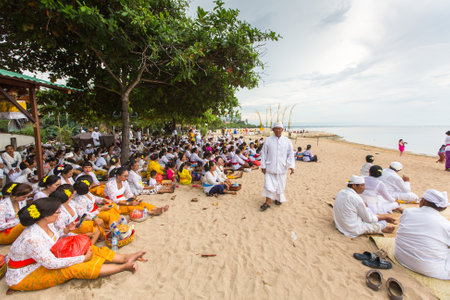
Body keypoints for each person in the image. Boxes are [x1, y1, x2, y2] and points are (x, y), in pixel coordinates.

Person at [5, 197, 146, 292]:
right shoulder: (32, 238)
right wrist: (82, 258)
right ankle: (123, 267)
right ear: (46, 216)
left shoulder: (47, 224)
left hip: (45, 259)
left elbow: (57, 238)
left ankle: (124, 258)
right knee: (72, 268)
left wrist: (68, 231)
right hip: (25, 274)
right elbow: (52, 263)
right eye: (57, 212)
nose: (59, 215)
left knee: (86, 246)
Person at [395, 189, 449, 280]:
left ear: (423, 201)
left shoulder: (408, 212)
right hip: (429, 269)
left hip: (401, 257)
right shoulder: (446, 224)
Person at [260, 122, 295, 211]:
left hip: (282, 168)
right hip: (270, 167)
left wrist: (291, 166)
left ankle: (277, 199)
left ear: (282, 130)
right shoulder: (268, 140)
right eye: (276, 128)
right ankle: (267, 202)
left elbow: (290, 154)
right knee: (268, 185)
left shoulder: (287, 141)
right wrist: (263, 166)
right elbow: (263, 154)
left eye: (280, 128)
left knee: (280, 185)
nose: (278, 130)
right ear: (273, 129)